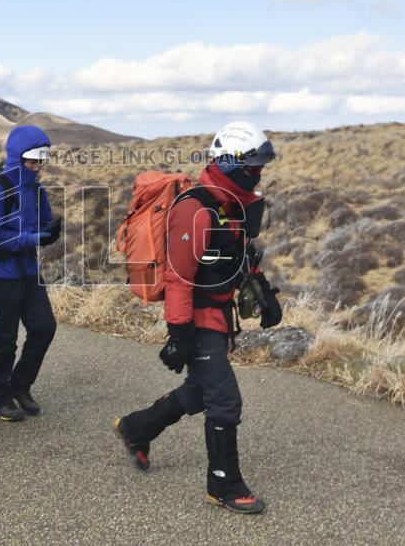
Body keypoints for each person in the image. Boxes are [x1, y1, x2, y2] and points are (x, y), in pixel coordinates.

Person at [113, 121, 283, 515]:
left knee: (198, 392)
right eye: (253, 167)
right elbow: (178, 277)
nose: (258, 175)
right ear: (231, 163)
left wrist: (265, 294)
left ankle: (136, 429)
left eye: (261, 167)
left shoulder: (233, 204)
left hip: (220, 314)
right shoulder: (195, 208)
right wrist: (178, 335)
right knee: (224, 399)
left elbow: (241, 257)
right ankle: (224, 485)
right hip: (198, 318)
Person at [0, 126, 61, 421]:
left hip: (28, 271)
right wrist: (34, 238)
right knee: (4, 338)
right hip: (1, 274)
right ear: (17, 157)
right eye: (33, 161)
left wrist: (50, 231)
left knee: (44, 328)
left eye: (41, 161)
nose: (38, 167)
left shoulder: (37, 189)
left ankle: (20, 385)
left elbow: (44, 222)